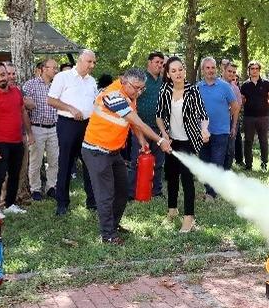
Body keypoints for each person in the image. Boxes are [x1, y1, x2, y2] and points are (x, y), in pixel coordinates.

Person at [82, 68, 172, 245]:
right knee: (105, 194)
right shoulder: (113, 95)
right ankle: (107, 235)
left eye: (141, 88)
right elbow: (137, 121)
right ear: (124, 81)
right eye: (136, 88)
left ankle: (114, 225)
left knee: (122, 191)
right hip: (96, 151)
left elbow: (132, 122)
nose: (139, 92)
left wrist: (141, 140)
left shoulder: (130, 96)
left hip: (113, 151)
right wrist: (160, 140)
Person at [156, 57, 209, 232]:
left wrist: (204, 130)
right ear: (168, 74)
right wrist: (164, 135)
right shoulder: (165, 90)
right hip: (172, 140)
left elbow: (203, 115)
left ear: (184, 70)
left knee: (186, 179)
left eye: (180, 69)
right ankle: (172, 211)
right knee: (171, 176)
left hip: (189, 141)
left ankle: (189, 218)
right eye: (174, 71)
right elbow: (159, 116)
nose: (178, 73)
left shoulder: (193, 91)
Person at [48, 49, 98, 216]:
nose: (92, 65)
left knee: (90, 162)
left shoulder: (92, 81)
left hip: (88, 125)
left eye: (94, 62)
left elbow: (95, 102)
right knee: (66, 163)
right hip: (68, 124)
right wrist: (70, 108)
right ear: (80, 60)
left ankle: (92, 201)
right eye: (89, 62)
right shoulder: (63, 77)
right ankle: (62, 203)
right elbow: (51, 100)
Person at [0, 62, 34, 214]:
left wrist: (29, 133)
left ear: (7, 73)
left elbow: (22, 112)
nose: (1, 78)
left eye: (3, 74)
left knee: (14, 174)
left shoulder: (17, 92)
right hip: (1, 143)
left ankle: (10, 204)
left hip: (17, 141)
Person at [197, 57, 238, 200]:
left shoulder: (224, 86)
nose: (210, 70)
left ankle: (211, 193)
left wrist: (232, 125)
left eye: (213, 67)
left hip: (221, 132)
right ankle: (209, 189)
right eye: (207, 68)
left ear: (216, 69)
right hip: (203, 132)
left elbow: (235, 106)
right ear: (202, 70)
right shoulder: (197, 88)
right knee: (205, 162)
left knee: (217, 162)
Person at [127, 52, 166, 200]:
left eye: (162, 63)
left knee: (158, 162)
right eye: (157, 62)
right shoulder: (141, 79)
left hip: (157, 126)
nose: (159, 65)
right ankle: (131, 193)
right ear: (149, 62)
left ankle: (156, 191)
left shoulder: (162, 82)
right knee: (136, 161)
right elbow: (131, 99)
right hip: (140, 127)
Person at [22, 59, 59, 201]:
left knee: (54, 160)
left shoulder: (57, 85)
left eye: (56, 68)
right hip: (37, 127)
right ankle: (35, 189)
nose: (55, 70)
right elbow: (24, 104)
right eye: (53, 68)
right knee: (36, 161)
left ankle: (51, 187)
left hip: (54, 128)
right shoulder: (31, 85)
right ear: (43, 69)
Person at [240, 61, 269, 171]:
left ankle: (264, 164)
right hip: (248, 117)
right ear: (249, 70)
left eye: (256, 68)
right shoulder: (245, 85)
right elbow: (242, 100)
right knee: (248, 141)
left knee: (263, 141)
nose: (254, 71)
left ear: (259, 70)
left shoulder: (266, 83)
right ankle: (248, 165)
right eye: (252, 69)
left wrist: (265, 108)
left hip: (263, 117)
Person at [222, 62, 244, 169]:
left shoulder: (235, 88)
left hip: (229, 121)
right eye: (229, 71)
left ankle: (226, 171)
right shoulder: (215, 84)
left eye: (234, 72)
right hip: (213, 122)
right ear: (223, 70)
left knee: (230, 149)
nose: (232, 74)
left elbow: (237, 108)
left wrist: (234, 126)